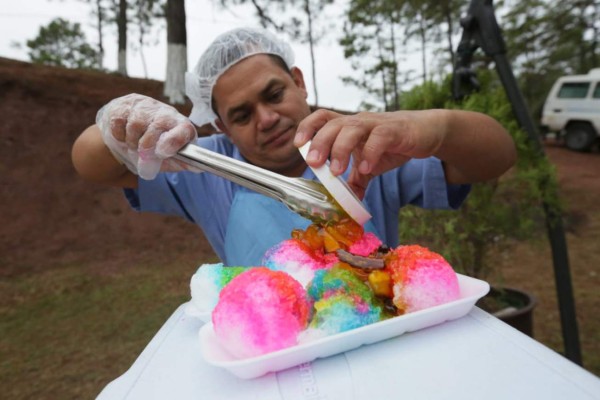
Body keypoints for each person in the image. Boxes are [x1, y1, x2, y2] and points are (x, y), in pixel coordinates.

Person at [72, 27, 516, 266]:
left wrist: (432, 128)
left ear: (299, 82)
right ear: (222, 126)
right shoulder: (204, 168)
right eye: (242, 115)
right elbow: (93, 163)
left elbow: (497, 157)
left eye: (274, 94)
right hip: (265, 358)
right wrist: (121, 121)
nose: (267, 119)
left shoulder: (363, 149)